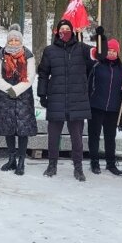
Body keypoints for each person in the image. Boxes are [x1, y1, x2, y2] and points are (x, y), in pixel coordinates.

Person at [36, 19, 100, 181]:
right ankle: (52, 165)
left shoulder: (82, 48)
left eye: (67, 28)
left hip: (77, 100)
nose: (65, 31)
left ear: (72, 31)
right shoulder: (49, 51)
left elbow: (100, 55)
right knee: (53, 137)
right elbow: (43, 74)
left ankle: (78, 168)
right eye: (62, 29)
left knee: (77, 138)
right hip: (56, 99)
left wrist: (101, 39)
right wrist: (42, 94)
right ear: (57, 32)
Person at [0, 24, 37, 174]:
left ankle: (21, 161)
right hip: (5, 97)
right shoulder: (0, 55)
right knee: (8, 129)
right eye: (11, 40)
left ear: (21, 41)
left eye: (16, 40)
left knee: (22, 130)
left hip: (23, 96)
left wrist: (16, 90)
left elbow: (30, 77)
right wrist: (8, 89)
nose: (13, 42)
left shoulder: (28, 55)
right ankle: (12, 159)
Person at [87, 37, 122, 175]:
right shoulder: (97, 65)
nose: (111, 53)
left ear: (118, 52)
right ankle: (94, 162)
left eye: (114, 51)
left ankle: (111, 163)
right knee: (94, 136)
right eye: (109, 50)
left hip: (113, 108)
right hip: (96, 106)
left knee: (110, 137)